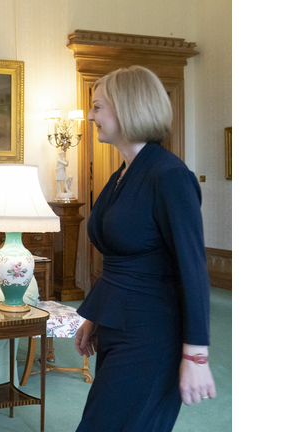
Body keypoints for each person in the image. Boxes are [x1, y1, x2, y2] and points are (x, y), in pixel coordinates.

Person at [74, 65, 215, 431]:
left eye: (97, 107)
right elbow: (123, 258)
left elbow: (193, 268)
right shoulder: (121, 175)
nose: (91, 116)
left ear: (127, 108)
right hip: (119, 323)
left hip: (152, 334)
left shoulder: (169, 176)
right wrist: (95, 316)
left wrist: (196, 355)